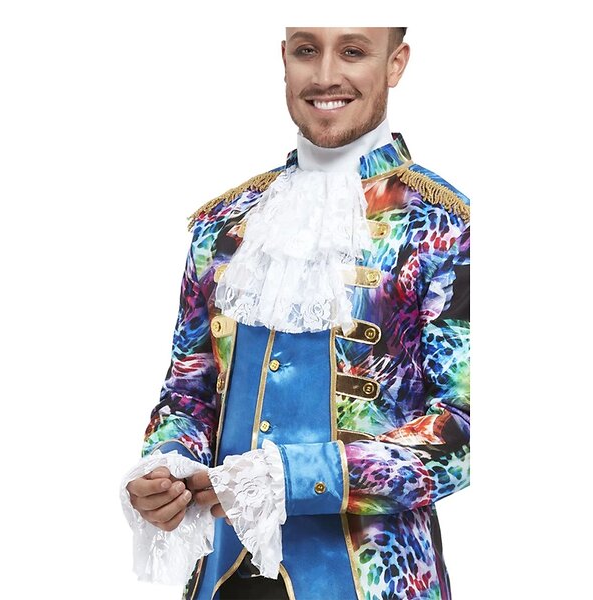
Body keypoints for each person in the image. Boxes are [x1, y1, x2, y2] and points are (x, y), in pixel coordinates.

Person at [122, 27, 470, 600]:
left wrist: (292, 478)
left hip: (372, 581)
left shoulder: (448, 227)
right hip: (222, 579)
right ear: (284, 58)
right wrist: (167, 466)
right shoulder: (223, 225)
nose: (326, 75)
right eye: (307, 50)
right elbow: (189, 393)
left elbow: (463, 432)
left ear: (395, 62)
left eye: (353, 51)